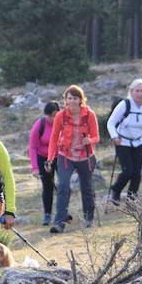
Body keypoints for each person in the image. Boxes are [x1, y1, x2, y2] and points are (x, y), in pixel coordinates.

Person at [47, 85, 101, 232]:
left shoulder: (89, 115)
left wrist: (89, 140)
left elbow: (96, 137)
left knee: (87, 188)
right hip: (65, 156)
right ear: (65, 100)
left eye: (75, 98)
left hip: (85, 156)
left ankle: (89, 219)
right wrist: (50, 158)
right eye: (69, 98)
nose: (71, 101)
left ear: (81, 100)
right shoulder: (60, 116)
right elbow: (53, 138)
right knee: (63, 187)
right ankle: (59, 223)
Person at [107, 78, 142, 204]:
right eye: (137, 90)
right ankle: (116, 190)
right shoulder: (124, 105)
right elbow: (111, 123)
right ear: (131, 91)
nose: (140, 93)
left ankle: (132, 199)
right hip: (123, 142)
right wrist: (114, 137)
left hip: (139, 142)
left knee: (137, 173)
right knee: (128, 171)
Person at [28, 101, 61, 226]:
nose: (53, 118)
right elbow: (33, 147)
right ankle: (47, 214)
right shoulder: (40, 125)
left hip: (60, 157)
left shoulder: (62, 123)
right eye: (51, 116)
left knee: (64, 185)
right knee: (48, 186)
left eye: (56, 115)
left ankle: (62, 211)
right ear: (46, 115)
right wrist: (35, 167)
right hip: (44, 158)